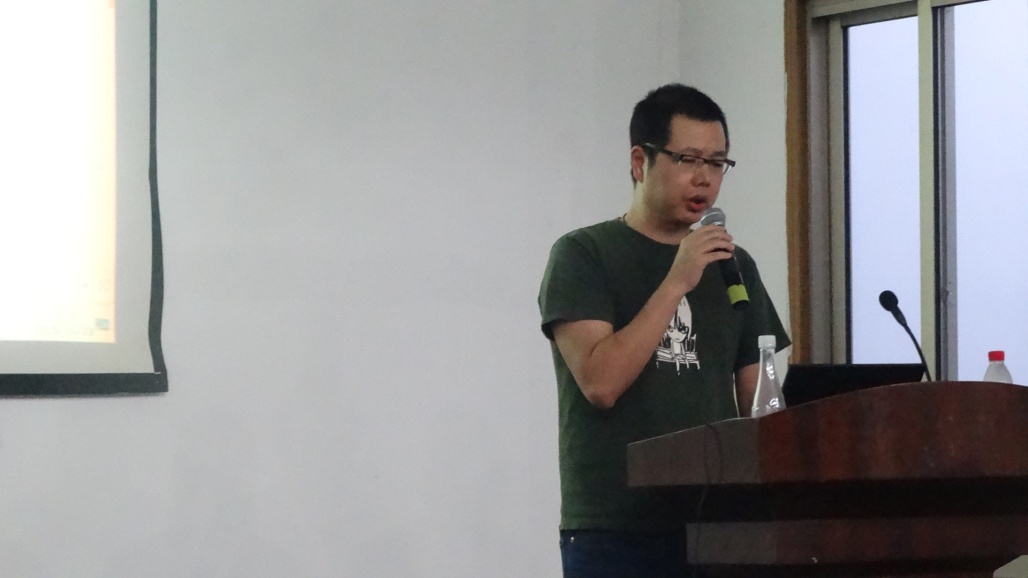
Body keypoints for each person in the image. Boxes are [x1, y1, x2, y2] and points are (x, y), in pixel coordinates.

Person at [537, 83, 790, 578]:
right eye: (688, 159)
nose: (704, 178)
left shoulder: (734, 266)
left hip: (717, 522)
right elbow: (601, 383)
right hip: (616, 527)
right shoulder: (583, 255)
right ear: (640, 161)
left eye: (717, 163)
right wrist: (677, 281)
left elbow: (759, 403)